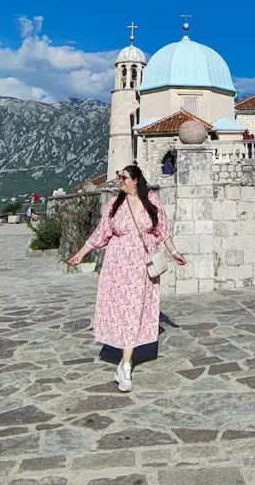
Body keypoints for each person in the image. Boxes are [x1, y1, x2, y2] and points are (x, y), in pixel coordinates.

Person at [68, 165, 186, 392]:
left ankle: (125, 365)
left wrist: (173, 252)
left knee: (134, 311)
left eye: (123, 177)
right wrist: (81, 254)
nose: (120, 181)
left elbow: (162, 230)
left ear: (135, 180)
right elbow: (100, 233)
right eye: (119, 177)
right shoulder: (115, 204)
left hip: (141, 267)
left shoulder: (150, 201)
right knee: (122, 311)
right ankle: (124, 363)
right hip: (118, 267)